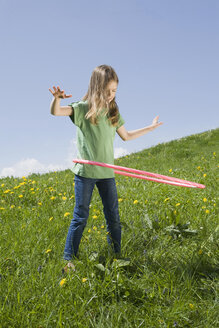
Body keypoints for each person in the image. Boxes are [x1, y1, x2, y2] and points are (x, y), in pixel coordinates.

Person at [49, 65, 163, 271]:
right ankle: (69, 258)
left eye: (115, 91)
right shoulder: (82, 108)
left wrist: (150, 127)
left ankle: (116, 256)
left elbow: (127, 136)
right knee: (80, 216)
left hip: (106, 173)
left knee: (113, 217)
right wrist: (57, 99)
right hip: (85, 174)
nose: (111, 96)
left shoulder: (113, 113)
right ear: (96, 88)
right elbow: (56, 112)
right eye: (107, 91)